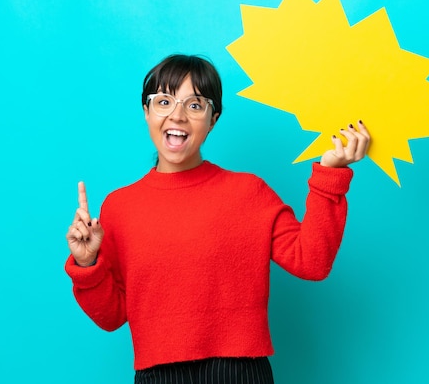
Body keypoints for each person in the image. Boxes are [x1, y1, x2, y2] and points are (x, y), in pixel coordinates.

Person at [65, 54, 370, 384]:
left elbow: (311, 261)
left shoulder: (248, 192)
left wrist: (331, 174)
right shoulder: (119, 207)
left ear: (213, 119)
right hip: (157, 374)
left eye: (195, 105)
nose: (177, 115)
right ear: (146, 111)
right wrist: (86, 265)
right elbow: (111, 316)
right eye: (164, 101)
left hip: (239, 371)